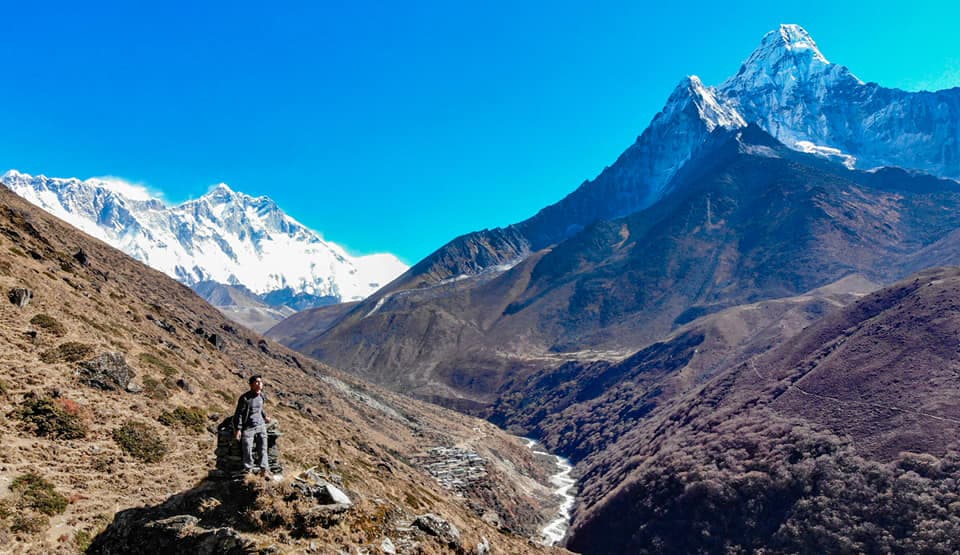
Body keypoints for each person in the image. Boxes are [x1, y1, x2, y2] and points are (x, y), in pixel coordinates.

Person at [233, 375, 271, 477]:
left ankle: (264, 470)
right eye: (257, 382)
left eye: (260, 382)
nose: (259, 384)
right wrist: (238, 429)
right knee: (247, 449)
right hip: (248, 427)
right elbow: (239, 414)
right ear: (251, 384)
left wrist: (265, 417)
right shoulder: (245, 398)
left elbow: (260, 409)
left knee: (263, 448)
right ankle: (248, 470)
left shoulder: (261, 396)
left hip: (261, 426)